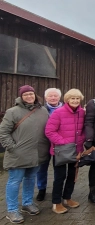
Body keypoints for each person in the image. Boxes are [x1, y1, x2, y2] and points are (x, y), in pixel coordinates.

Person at [0, 85, 50, 224]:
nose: (29, 96)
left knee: (30, 179)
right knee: (15, 181)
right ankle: (12, 210)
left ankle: (27, 203)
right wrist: (13, 148)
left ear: (35, 95)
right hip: (18, 154)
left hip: (37, 153)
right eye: (26, 94)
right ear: (21, 96)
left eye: (31, 94)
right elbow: (3, 133)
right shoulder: (12, 112)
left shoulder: (43, 110)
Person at [45, 89, 85, 214]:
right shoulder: (58, 113)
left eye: (77, 98)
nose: (75, 101)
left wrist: (81, 143)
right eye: (72, 98)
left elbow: (83, 130)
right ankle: (56, 203)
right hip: (60, 151)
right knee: (59, 177)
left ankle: (67, 198)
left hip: (76, 150)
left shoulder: (82, 113)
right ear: (67, 100)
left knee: (72, 176)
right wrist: (63, 143)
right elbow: (49, 131)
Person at [36, 88, 63, 201]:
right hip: (44, 143)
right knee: (42, 167)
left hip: (60, 144)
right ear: (46, 98)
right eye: (50, 96)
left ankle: (57, 190)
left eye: (55, 96)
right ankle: (41, 189)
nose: (53, 98)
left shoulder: (65, 109)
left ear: (59, 97)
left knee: (59, 168)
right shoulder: (40, 110)